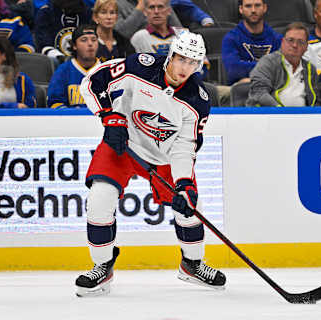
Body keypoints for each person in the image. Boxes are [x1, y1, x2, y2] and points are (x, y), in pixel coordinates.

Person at [76, 30, 226, 297]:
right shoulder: (140, 65)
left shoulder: (198, 101)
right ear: (171, 54)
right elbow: (92, 82)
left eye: (193, 63)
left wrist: (183, 186)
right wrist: (109, 116)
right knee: (100, 198)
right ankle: (102, 267)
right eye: (181, 59)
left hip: (163, 158)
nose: (185, 68)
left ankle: (192, 264)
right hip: (123, 144)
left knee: (191, 206)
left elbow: (184, 147)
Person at [246, 22, 321, 107]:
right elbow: (259, 93)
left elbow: (317, 100)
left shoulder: (310, 69)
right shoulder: (268, 62)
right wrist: (281, 112)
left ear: (306, 46)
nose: (295, 45)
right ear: (282, 42)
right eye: (291, 40)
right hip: (270, 116)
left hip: (302, 118)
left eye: (300, 42)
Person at [221, 0, 283, 86]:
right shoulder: (231, 38)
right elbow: (233, 69)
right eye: (248, 6)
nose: (253, 10)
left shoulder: (277, 39)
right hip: (241, 91)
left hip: (271, 87)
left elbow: (282, 69)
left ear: (264, 8)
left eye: (257, 5)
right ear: (241, 9)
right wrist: (269, 67)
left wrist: (251, 77)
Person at [47, 24, 101, 108]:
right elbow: (55, 103)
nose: (90, 44)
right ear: (74, 46)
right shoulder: (63, 70)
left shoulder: (108, 70)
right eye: (84, 40)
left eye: (94, 40)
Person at [114, 0, 182, 41]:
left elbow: (180, 32)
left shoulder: (160, 2)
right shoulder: (116, 3)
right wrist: (140, 8)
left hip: (163, 44)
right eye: (152, 7)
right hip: (136, 50)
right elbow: (121, 34)